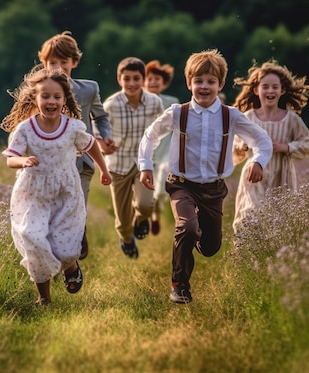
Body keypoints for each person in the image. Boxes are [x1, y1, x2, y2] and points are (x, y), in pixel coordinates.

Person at [138, 49, 273, 303]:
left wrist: (258, 161)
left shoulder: (230, 116)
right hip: (181, 185)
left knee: (211, 248)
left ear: (220, 84)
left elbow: (262, 141)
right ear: (189, 83)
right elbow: (151, 135)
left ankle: (199, 233)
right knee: (186, 228)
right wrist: (145, 165)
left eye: (211, 81)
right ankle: (179, 285)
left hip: (213, 189)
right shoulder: (179, 113)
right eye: (198, 81)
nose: (204, 86)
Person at [0, 66, 112, 306]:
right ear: (35, 98)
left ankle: (70, 266)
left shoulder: (72, 127)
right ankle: (45, 299)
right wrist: (23, 160)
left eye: (56, 96)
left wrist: (103, 169)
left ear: (65, 99)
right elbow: (10, 158)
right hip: (32, 193)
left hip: (65, 193)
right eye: (45, 96)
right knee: (33, 238)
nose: (51, 101)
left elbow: (91, 144)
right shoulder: (25, 129)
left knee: (65, 248)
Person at [37, 31, 116, 260]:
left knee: (75, 208)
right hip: (49, 163)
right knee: (52, 213)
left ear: (75, 62)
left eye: (64, 62)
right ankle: (57, 257)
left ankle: (77, 237)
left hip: (81, 162)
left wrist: (104, 135)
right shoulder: (38, 90)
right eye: (53, 63)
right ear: (44, 63)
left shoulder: (89, 89)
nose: (58, 67)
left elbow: (100, 116)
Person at [231, 60, 309, 233]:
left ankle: (272, 256)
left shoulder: (291, 119)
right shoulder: (248, 118)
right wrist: (242, 146)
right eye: (265, 86)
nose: (270, 90)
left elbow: (308, 145)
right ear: (256, 90)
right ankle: (245, 255)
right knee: (250, 215)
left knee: (279, 221)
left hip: (282, 176)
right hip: (253, 177)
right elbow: (233, 145)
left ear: (282, 90)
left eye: (275, 87)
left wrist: (286, 147)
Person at [103, 57, 164, 259]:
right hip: (117, 164)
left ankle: (141, 220)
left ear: (143, 79)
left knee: (146, 204)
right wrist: (104, 145)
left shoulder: (154, 102)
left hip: (143, 162)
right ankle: (127, 239)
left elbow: (161, 127)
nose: (131, 83)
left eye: (136, 78)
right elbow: (99, 130)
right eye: (126, 78)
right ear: (119, 79)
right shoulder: (111, 105)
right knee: (122, 219)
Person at [144, 60, 180, 235]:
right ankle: (151, 216)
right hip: (146, 150)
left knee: (159, 188)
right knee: (145, 188)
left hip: (166, 149)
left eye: (156, 79)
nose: (152, 82)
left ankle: (156, 214)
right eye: (149, 79)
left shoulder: (172, 102)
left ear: (164, 83)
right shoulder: (138, 102)